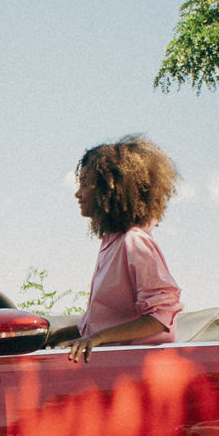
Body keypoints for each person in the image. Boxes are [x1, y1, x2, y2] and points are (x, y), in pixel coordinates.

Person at [57, 135, 184, 364]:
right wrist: (55, 336)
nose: (78, 193)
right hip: (113, 370)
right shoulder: (112, 243)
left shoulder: (134, 242)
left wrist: (98, 338)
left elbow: (160, 317)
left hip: (135, 372)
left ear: (110, 189)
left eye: (85, 184)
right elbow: (101, 323)